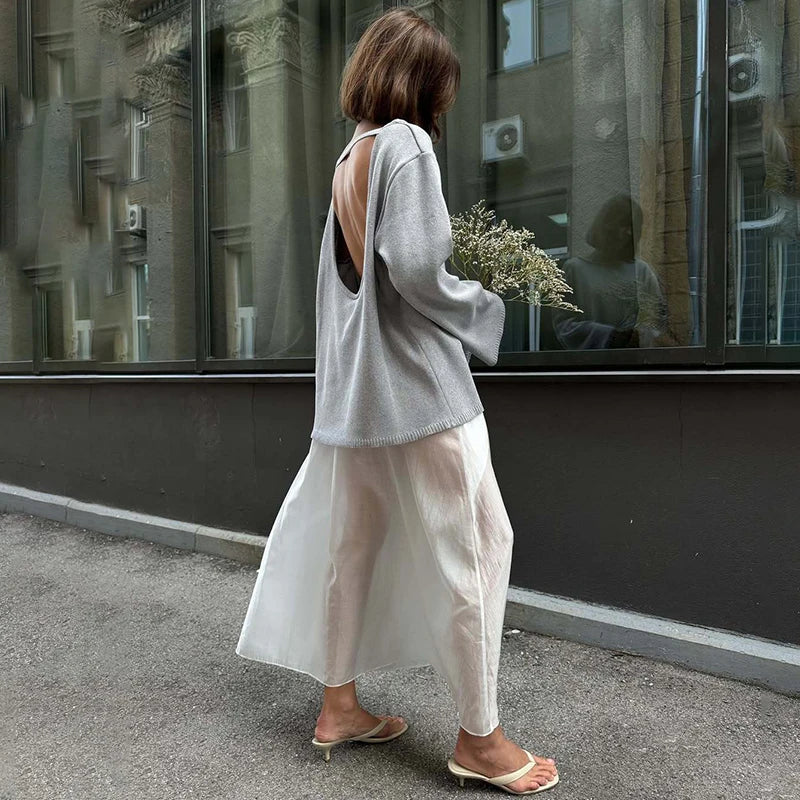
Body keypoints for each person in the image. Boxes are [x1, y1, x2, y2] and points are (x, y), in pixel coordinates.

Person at [236, 7, 559, 795]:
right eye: (442, 86)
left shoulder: (354, 155)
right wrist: (483, 309)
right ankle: (480, 741)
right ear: (421, 82)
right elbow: (414, 268)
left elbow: (348, 292)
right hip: (421, 396)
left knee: (355, 551)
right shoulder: (408, 146)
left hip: (357, 405)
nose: (444, 103)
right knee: (480, 547)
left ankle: (339, 705)